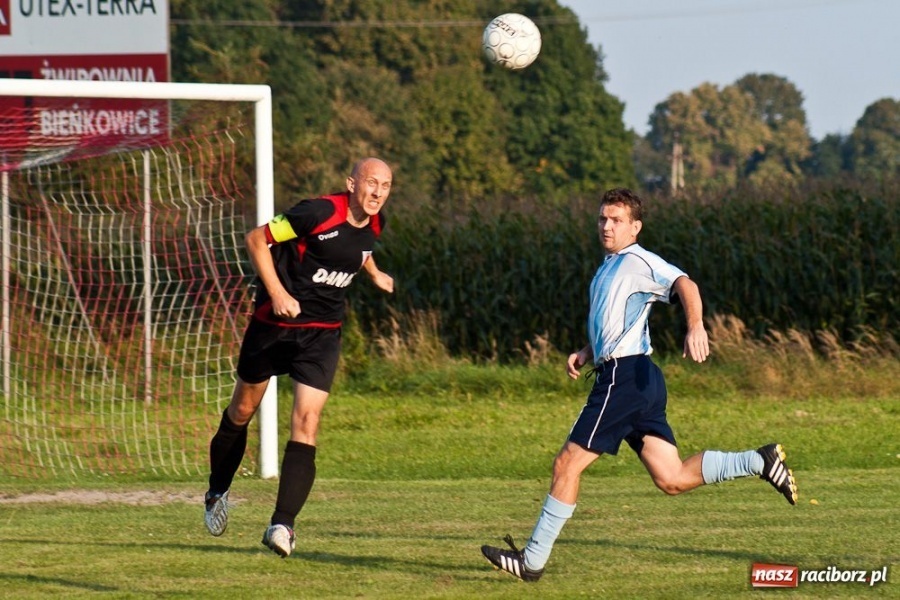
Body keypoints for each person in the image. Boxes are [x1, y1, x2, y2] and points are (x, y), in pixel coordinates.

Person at [481, 187, 797, 582]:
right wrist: (587, 351)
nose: (606, 226)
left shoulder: (637, 260)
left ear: (635, 227)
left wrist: (695, 325)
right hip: (639, 378)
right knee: (672, 479)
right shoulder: (607, 267)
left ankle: (532, 561)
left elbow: (685, 283)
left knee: (566, 464)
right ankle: (759, 460)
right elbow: (615, 323)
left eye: (616, 220)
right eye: (602, 219)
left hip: (625, 380)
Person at [203, 157, 396, 558]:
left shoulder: (376, 221)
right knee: (241, 412)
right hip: (274, 326)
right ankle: (217, 490)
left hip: (322, 334)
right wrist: (276, 292)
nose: (378, 192)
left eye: (386, 185)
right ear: (351, 183)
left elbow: (359, 249)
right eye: (371, 183)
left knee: (307, 421)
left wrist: (374, 272)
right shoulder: (317, 212)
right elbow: (257, 239)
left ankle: (282, 524)